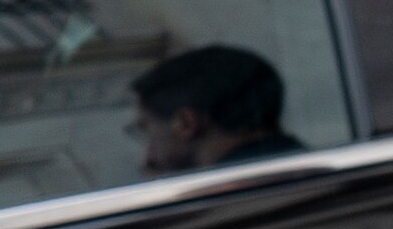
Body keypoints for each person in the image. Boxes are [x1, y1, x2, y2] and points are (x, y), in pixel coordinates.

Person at [127, 41, 304, 175]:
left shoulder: (225, 197)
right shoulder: (306, 167)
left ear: (185, 123)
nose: (147, 159)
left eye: (146, 130)